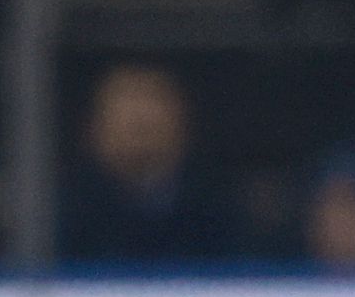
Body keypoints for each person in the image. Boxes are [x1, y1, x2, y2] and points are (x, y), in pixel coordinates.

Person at [61, 61, 239, 263]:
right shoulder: (58, 215)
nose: (141, 119)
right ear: (94, 127)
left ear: (183, 121)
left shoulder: (221, 209)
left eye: (154, 104)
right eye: (127, 107)